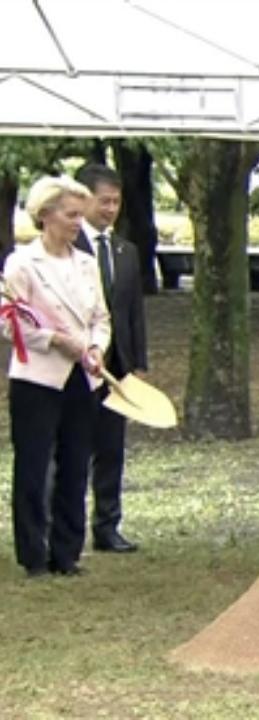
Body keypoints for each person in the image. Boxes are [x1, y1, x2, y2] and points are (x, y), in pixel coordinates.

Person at [3, 176, 110, 578]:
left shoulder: (86, 263)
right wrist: (51, 340)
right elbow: (7, 321)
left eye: (80, 216)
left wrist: (96, 346)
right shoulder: (22, 263)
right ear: (46, 215)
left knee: (76, 463)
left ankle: (67, 551)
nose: (77, 223)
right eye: (70, 215)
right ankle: (33, 554)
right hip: (37, 379)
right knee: (33, 465)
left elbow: (101, 317)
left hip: (83, 378)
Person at [72, 163, 148, 554]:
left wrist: (136, 363)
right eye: (104, 201)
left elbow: (132, 311)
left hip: (115, 369)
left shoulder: (126, 252)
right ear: (84, 200)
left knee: (111, 450)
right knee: (70, 448)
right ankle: (64, 526)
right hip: (76, 364)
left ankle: (107, 525)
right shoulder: (69, 248)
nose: (110, 209)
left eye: (116, 202)